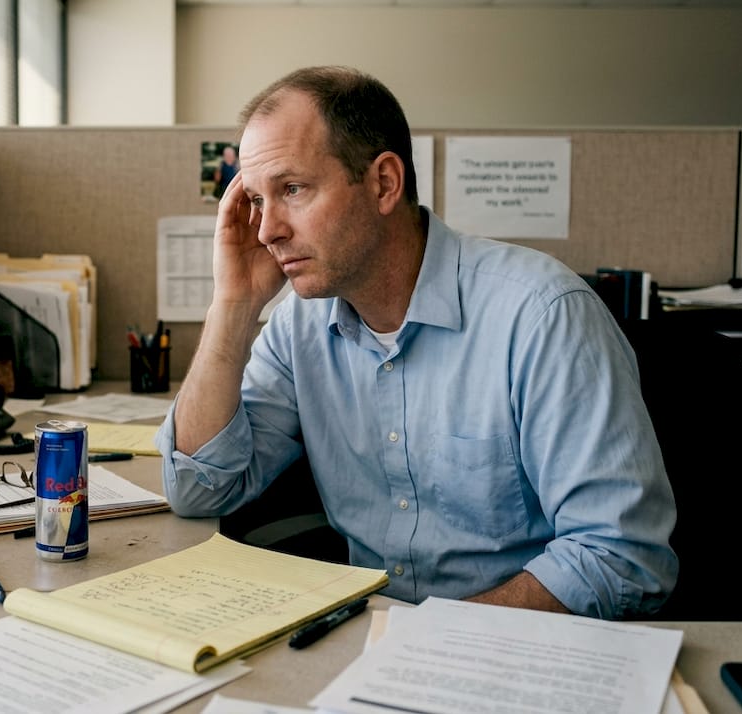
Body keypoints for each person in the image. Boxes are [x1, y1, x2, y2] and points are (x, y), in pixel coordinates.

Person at [155, 66, 678, 619]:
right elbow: (197, 490)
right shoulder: (298, 328)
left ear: (383, 183)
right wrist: (233, 306)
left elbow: (618, 557)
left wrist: (431, 641)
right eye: (258, 200)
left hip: (516, 649)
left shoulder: (541, 316)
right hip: (374, 647)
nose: (266, 231)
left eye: (292, 189)